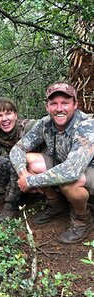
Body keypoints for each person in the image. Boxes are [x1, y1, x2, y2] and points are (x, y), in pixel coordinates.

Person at [10, 81, 94, 244]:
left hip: (88, 171)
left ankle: (83, 219)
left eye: (65, 103)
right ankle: (56, 205)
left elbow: (71, 171)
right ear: (47, 106)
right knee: (30, 162)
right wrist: (23, 172)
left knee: (70, 182)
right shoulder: (45, 123)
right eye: (54, 103)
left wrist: (29, 181)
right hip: (66, 165)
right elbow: (17, 149)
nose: (59, 108)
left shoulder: (86, 125)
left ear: (75, 104)